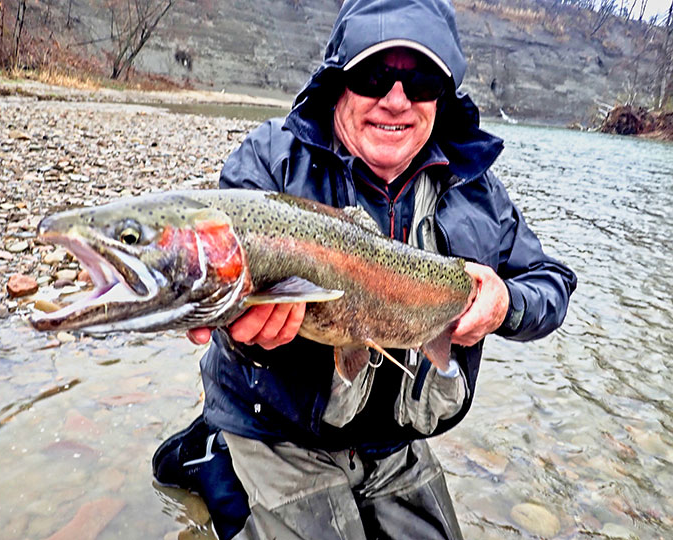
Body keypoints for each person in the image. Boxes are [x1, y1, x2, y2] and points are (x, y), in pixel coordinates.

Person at [152, 0, 577, 538]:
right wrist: (238, 330)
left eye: (420, 81)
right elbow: (216, 278)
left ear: (443, 96)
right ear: (339, 81)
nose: (395, 100)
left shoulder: (477, 191)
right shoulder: (273, 161)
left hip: (395, 444)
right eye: (373, 75)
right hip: (278, 431)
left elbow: (552, 283)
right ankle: (215, 453)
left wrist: (506, 304)